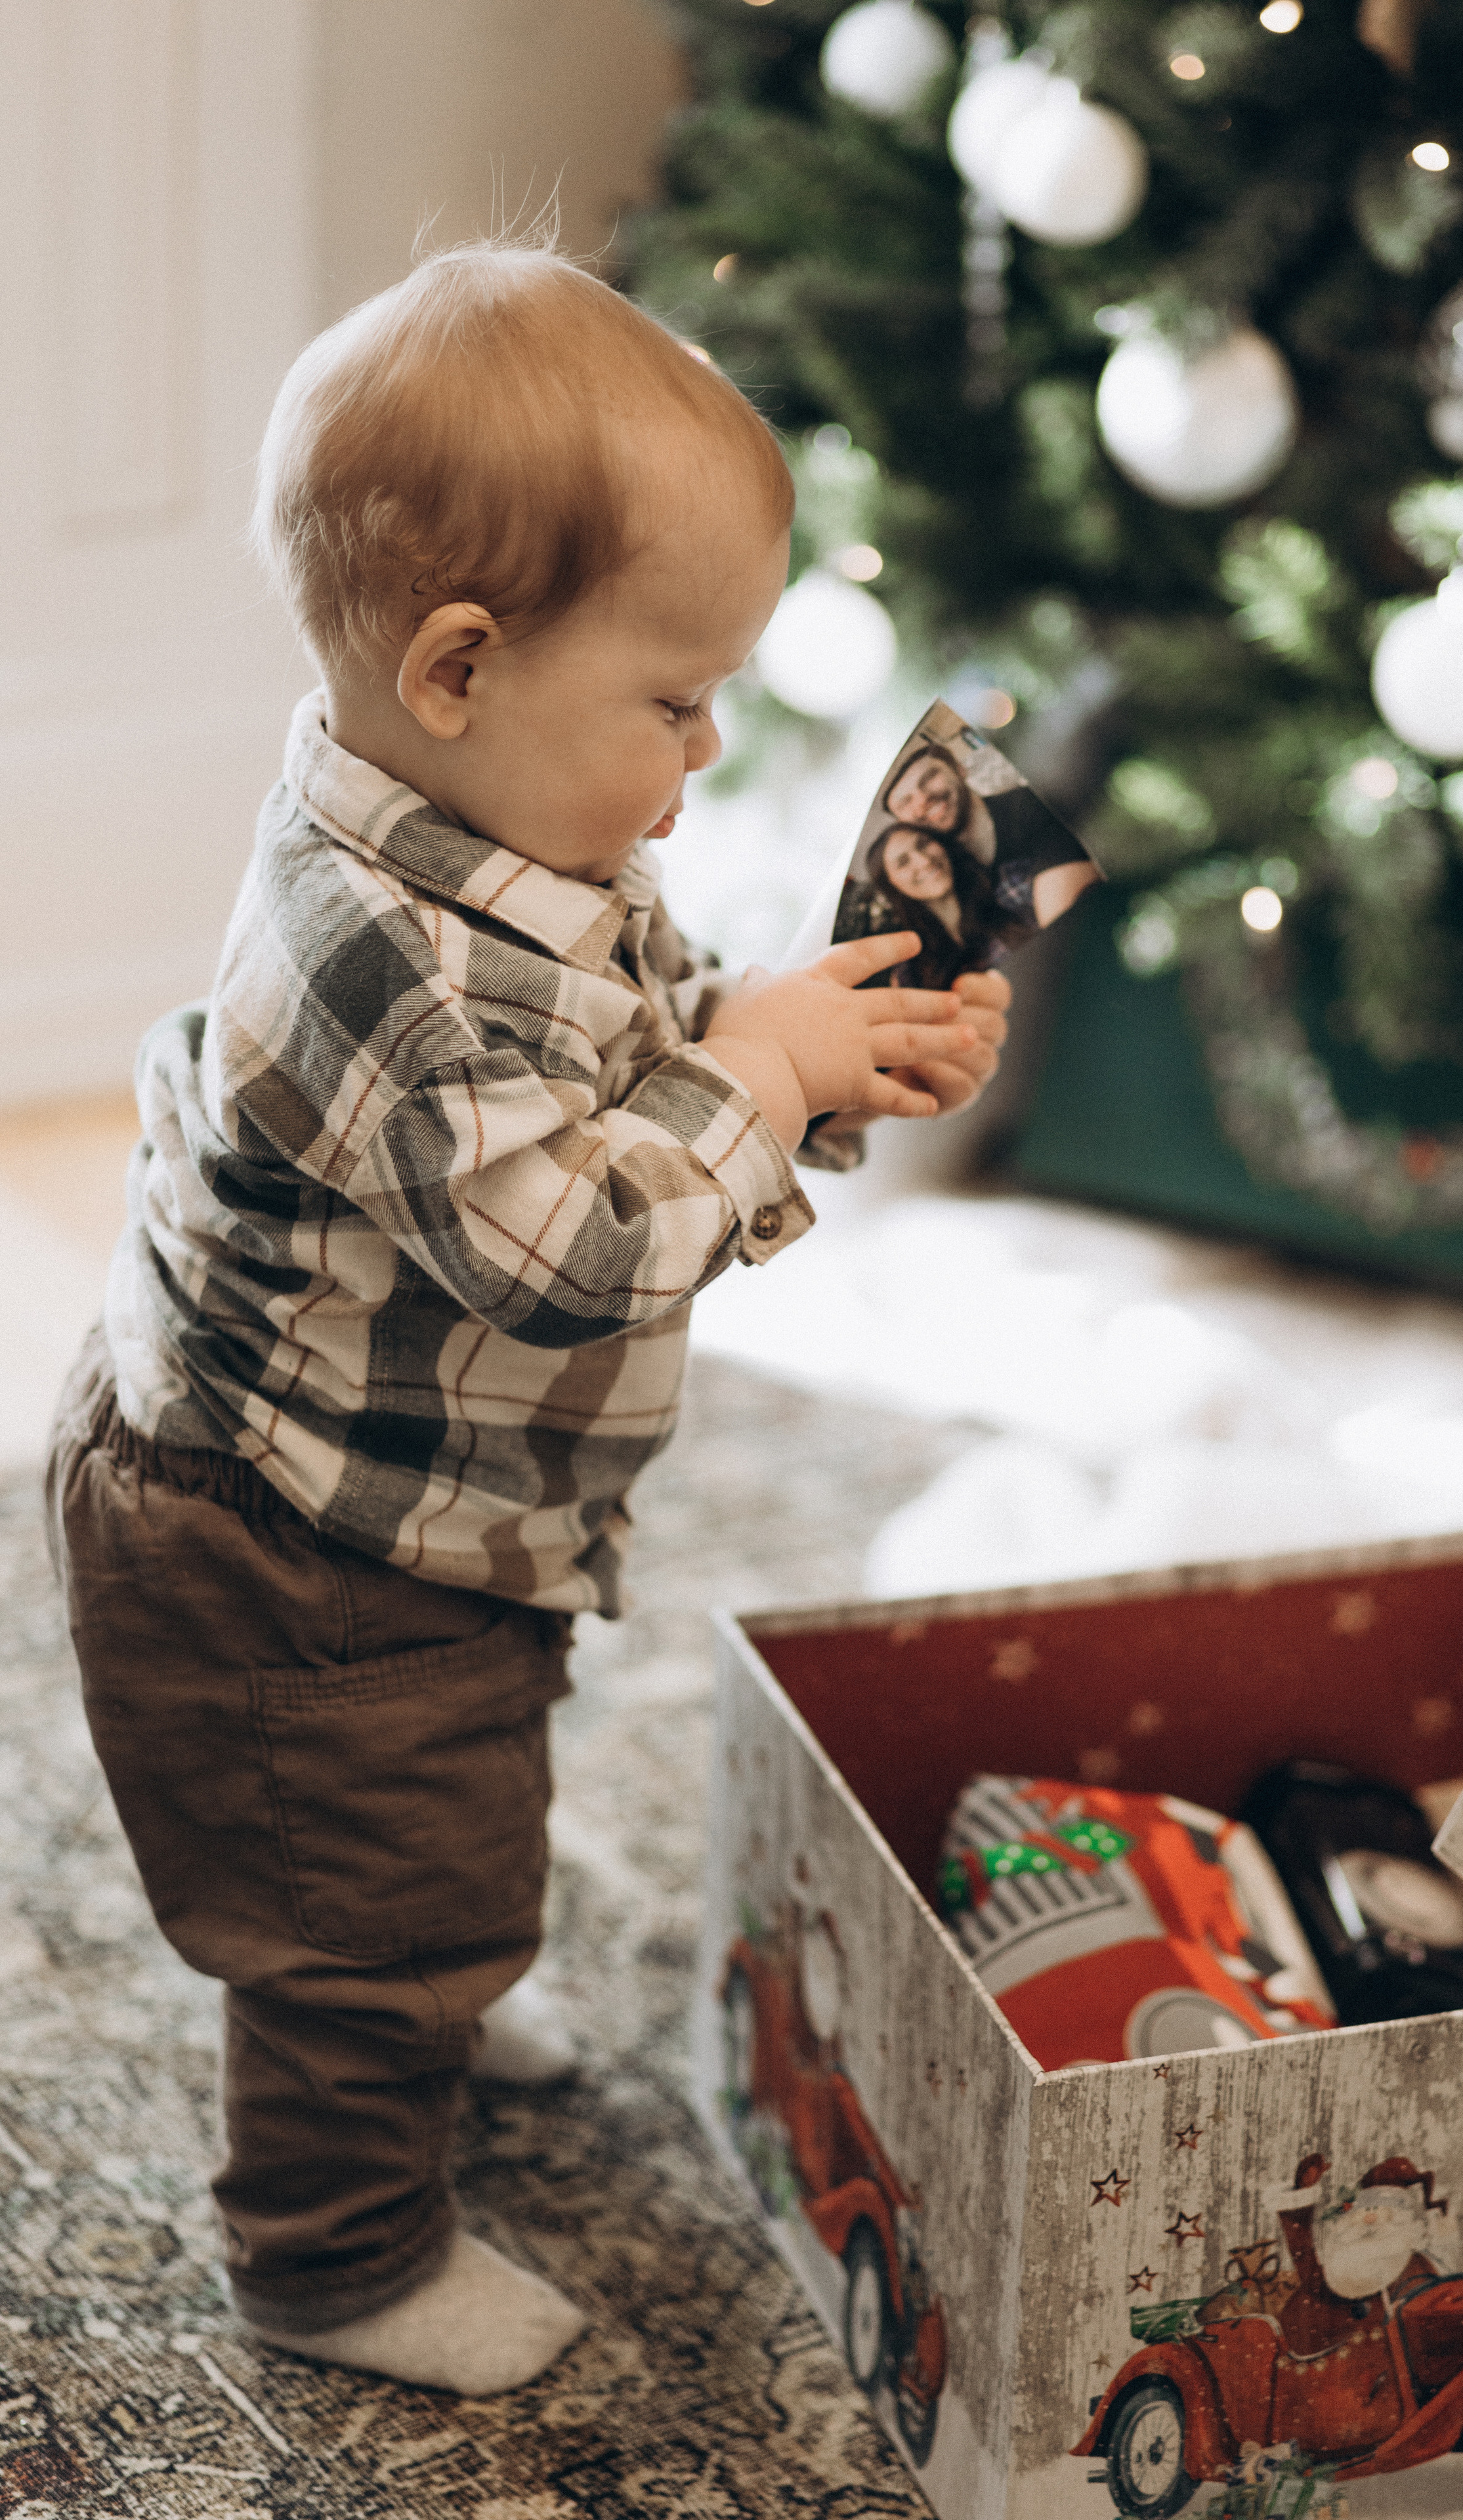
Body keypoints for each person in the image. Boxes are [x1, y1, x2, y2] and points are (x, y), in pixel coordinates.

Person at [43, 242, 1007, 2399]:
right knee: (352, 1911)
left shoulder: (502, 827)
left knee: (453, 1817)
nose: (710, 744)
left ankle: (437, 1972)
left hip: (429, 1506)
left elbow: (649, 1051)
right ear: (463, 665)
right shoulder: (360, 938)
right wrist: (759, 1081)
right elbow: (568, 1247)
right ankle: (338, 2255)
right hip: (288, 1555)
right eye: (674, 700)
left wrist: (804, 1052)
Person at [885, 740, 1101, 939]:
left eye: (930, 778)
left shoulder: (1030, 807)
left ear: (960, 770)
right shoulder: (938, 869)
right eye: (906, 802)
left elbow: (1063, 934)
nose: (923, 799)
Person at [854, 821, 1000, 990]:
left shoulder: (1010, 888)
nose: (924, 861)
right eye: (903, 863)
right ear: (891, 883)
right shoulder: (909, 973)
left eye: (923, 844)